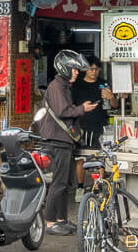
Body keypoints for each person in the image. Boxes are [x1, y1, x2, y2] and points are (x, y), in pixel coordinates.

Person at [39, 49, 98, 236]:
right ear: (64, 69)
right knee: (58, 183)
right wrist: (82, 109)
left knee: (65, 183)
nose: (77, 72)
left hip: (64, 141)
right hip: (58, 140)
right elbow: (63, 111)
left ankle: (61, 219)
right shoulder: (56, 86)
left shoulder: (64, 86)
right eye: (73, 69)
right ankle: (49, 222)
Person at [72, 56, 118, 202]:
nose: (94, 72)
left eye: (97, 69)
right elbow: (70, 106)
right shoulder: (77, 85)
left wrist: (111, 97)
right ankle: (80, 187)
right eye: (91, 69)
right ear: (85, 69)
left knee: (100, 157)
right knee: (80, 158)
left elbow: (115, 105)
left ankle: (99, 187)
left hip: (100, 125)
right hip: (81, 126)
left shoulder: (103, 83)